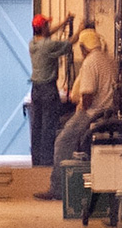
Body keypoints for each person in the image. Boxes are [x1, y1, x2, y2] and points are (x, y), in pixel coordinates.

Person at [37, 28, 117, 200]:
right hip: (109, 113)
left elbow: (87, 95)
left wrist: (80, 107)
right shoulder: (108, 59)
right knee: (65, 130)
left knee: (62, 141)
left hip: (93, 113)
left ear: (82, 47)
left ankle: (57, 188)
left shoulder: (90, 62)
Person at [27, 13, 74, 166]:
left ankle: (37, 160)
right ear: (43, 28)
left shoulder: (33, 44)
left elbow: (48, 34)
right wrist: (80, 30)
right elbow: (69, 44)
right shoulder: (49, 45)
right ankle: (47, 161)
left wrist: (64, 22)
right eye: (47, 25)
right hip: (48, 89)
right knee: (48, 126)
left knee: (37, 126)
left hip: (36, 89)